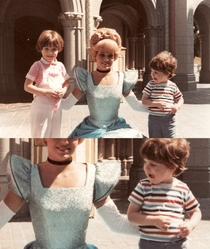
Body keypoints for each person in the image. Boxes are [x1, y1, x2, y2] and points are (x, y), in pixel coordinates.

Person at [0, 138, 138, 249]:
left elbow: (116, 223)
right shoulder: (29, 176)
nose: (64, 141)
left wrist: (155, 227)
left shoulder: (93, 176)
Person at [62, 27, 145, 138]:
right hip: (92, 130)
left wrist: (160, 108)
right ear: (95, 55)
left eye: (110, 55)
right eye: (102, 55)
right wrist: (44, 97)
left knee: (137, 135)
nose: (106, 59)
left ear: (115, 57)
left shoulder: (122, 79)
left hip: (116, 128)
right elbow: (67, 105)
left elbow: (136, 106)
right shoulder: (86, 79)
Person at [127, 138, 201, 249]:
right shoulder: (143, 186)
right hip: (149, 244)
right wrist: (153, 221)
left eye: (153, 164)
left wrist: (190, 225)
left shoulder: (182, 188)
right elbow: (131, 215)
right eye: (145, 162)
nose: (146, 167)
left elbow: (196, 212)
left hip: (177, 244)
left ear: (171, 167)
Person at [24, 30, 70, 138]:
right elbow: (27, 86)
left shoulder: (60, 66)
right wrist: (45, 92)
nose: (50, 53)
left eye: (54, 49)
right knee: (40, 133)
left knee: (55, 134)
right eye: (46, 49)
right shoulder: (37, 65)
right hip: (41, 106)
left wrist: (63, 91)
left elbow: (67, 83)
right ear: (41, 49)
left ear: (59, 49)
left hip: (57, 106)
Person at [142, 51, 184, 138]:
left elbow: (180, 99)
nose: (153, 74)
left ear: (167, 74)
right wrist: (156, 104)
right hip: (154, 119)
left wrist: (177, 106)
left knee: (170, 140)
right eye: (152, 71)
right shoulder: (151, 85)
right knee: (155, 141)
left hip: (169, 119)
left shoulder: (172, 86)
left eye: (156, 72)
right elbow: (144, 101)